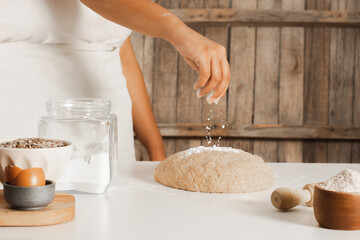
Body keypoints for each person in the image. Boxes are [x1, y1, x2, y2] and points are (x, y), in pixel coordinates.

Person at [0, 0, 230, 162]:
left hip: (105, 142)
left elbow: (117, 50)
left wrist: (156, 151)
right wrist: (178, 32)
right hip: (22, 126)